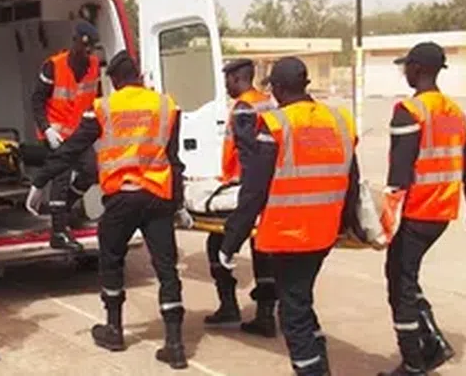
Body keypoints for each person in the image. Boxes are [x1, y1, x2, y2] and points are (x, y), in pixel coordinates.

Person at [25, 50, 194, 370]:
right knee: (166, 268)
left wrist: (40, 181)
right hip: (158, 198)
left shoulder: (103, 107)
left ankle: (114, 329)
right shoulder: (166, 106)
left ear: (114, 81)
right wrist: (180, 203)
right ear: (139, 77)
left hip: (122, 199)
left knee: (111, 260)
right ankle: (175, 344)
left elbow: (71, 149)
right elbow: (174, 161)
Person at [219, 57, 362, 376]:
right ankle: (320, 366)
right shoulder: (339, 120)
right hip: (324, 232)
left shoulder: (276, 124)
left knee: (293, 316)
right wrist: (348, 225)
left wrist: (230, 241)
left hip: (289, 234)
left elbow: (254, 191)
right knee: (300, 301)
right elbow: (352, 177)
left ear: (279, 88)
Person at [377, 42, 466, 376]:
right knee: (405, 275)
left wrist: (384, 222)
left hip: (416, 212)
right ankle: (432, 341)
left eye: (407, 67)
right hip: (441, 212)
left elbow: (400, 174)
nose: (405, 73)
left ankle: (413, 362)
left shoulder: (410, 111)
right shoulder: (453, 111)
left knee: (400, 284)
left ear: (419, 69)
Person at [204, 58, 277, 338]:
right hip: (267, 186)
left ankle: (229, 306)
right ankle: (266, 315)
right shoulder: (268, 102)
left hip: (243, 189)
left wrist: (245, 191)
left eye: (227, 80)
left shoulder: (244, 107)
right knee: (263, 251)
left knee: (216, 243)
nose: (226, 86)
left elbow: (248, 153)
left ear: (236, 78)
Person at [31, 20, 102, 251]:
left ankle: (65, 209)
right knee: (61, 177)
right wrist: (46, 128)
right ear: (74, 42)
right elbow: (37, 100)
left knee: (90, 171)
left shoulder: (94, 66)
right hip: (57, 134)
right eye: (84, 46)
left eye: (91, 48)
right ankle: (58, 232)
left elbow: (96, 98)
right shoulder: (53, 66)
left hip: (80, 134)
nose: (87, 52)